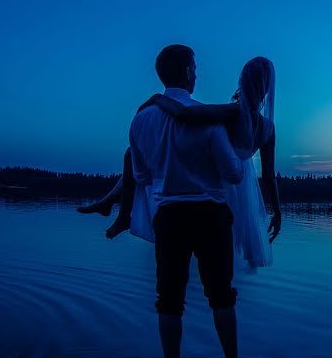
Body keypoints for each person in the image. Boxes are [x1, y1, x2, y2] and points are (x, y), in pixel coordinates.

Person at [126, 44, 248, 358]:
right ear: (186, 71)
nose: (197, 72)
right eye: (195, 66)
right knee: (221, 298)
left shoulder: (140, 120)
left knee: (169, 301)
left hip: (169, 217)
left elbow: (142, 176)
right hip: (209, 215)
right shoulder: (204, 118)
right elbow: (233, 174)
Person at [79, 56, 282, 271]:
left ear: (243, 82)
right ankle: (113, 205)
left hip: (216, 177)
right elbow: (269, 176)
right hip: (239, 185)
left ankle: (118, 210)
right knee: (133, 155)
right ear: (267, 90)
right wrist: (277, 212)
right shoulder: (268, 128)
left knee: (135, 154)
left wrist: (157, 99)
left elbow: (184, 114)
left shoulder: (233, 112)